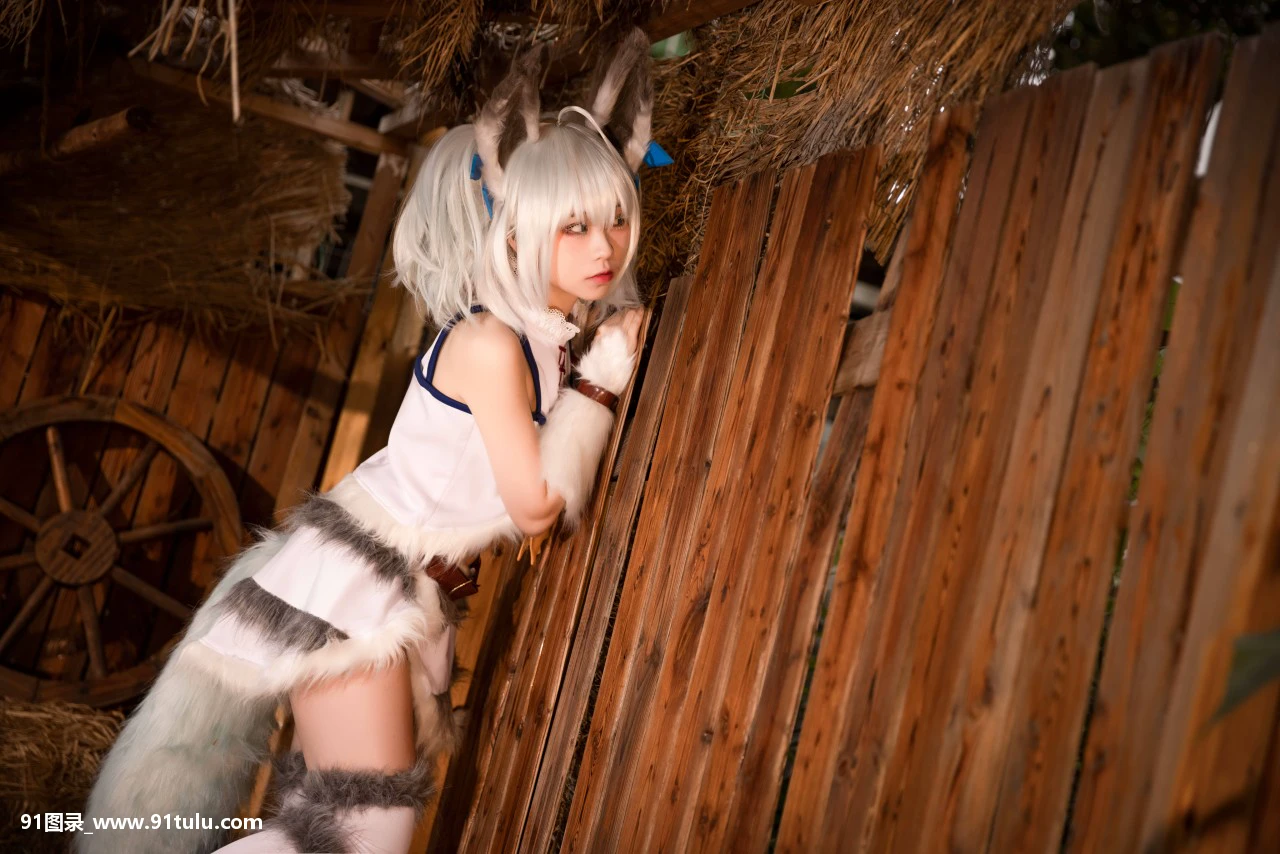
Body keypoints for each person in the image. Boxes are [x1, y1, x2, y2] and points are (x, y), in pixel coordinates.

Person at [78, 29, 655, 854]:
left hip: (405, 589)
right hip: (362, 585)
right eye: (576, 227)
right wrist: (602, 380)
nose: (604, 247)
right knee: (362, 832)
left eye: (617, 221)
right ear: (517, 231)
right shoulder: (492, 344)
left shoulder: (538, 341)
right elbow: (534, 508)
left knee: (344, 830)